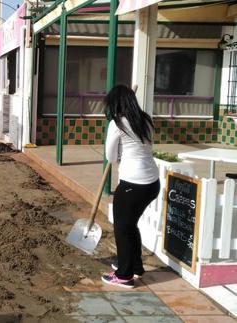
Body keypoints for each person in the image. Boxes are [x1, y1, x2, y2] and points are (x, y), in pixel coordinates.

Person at [101, 84, 160, 289]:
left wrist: (118, 156)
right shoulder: (146, 120)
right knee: (130, 225)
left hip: (132, 184)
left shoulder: (117, 124)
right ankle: (134, 265)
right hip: (152, 183)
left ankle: (124, 275)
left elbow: (110, 157)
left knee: (122, 228)